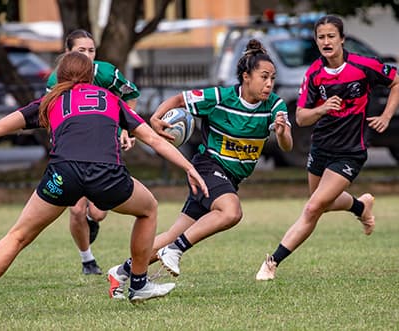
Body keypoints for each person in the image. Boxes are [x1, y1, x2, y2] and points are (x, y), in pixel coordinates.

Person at [0, 51, 208, 319]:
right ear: (91, 76)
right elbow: (155, 140)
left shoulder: (50, 100)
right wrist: (189, 167)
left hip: (63, 175)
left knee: (18, 235)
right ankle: (138, 284)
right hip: (106, 175)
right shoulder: (111, 98)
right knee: (148, 209)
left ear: (60, 77)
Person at [106, 39, 293, 299]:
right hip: (208, 167)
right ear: (245, 77)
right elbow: (178, 99)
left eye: (272, 78)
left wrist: (282, 132)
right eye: (264, 77)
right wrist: (156, 118)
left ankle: (122, 272)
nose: (269, 83)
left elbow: (286, 146)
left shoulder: (274, 106)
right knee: (231, 211)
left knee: (173, 233)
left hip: (230, 178)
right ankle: (176, 251)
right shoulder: (220, 97)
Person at [255, 14, 399, 281]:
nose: (326, 41)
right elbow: (301, 117)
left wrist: (386, 116)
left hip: (350, 150)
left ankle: (272, 262)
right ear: (316, 41)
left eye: (331, 36)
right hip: (321, 147)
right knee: (320, 204)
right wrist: (323, 108)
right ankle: (360, 207)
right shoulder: (314, 73)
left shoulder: (363, 65)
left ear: (342, 39)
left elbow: (398, 83)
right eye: (321, 37)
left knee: (313, 208)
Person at [46, 29, 141, 275]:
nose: (87, 56)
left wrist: (124, 130)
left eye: (91, 50)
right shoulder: (55, 80)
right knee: (76, 209)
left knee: (98, 213)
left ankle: (92, 220)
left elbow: (131, 95)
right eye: (81, 51)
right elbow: (49, 116)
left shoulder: (106, 73)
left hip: (104, 148)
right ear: (67, 53)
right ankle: (87, 260)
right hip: (74, 153)